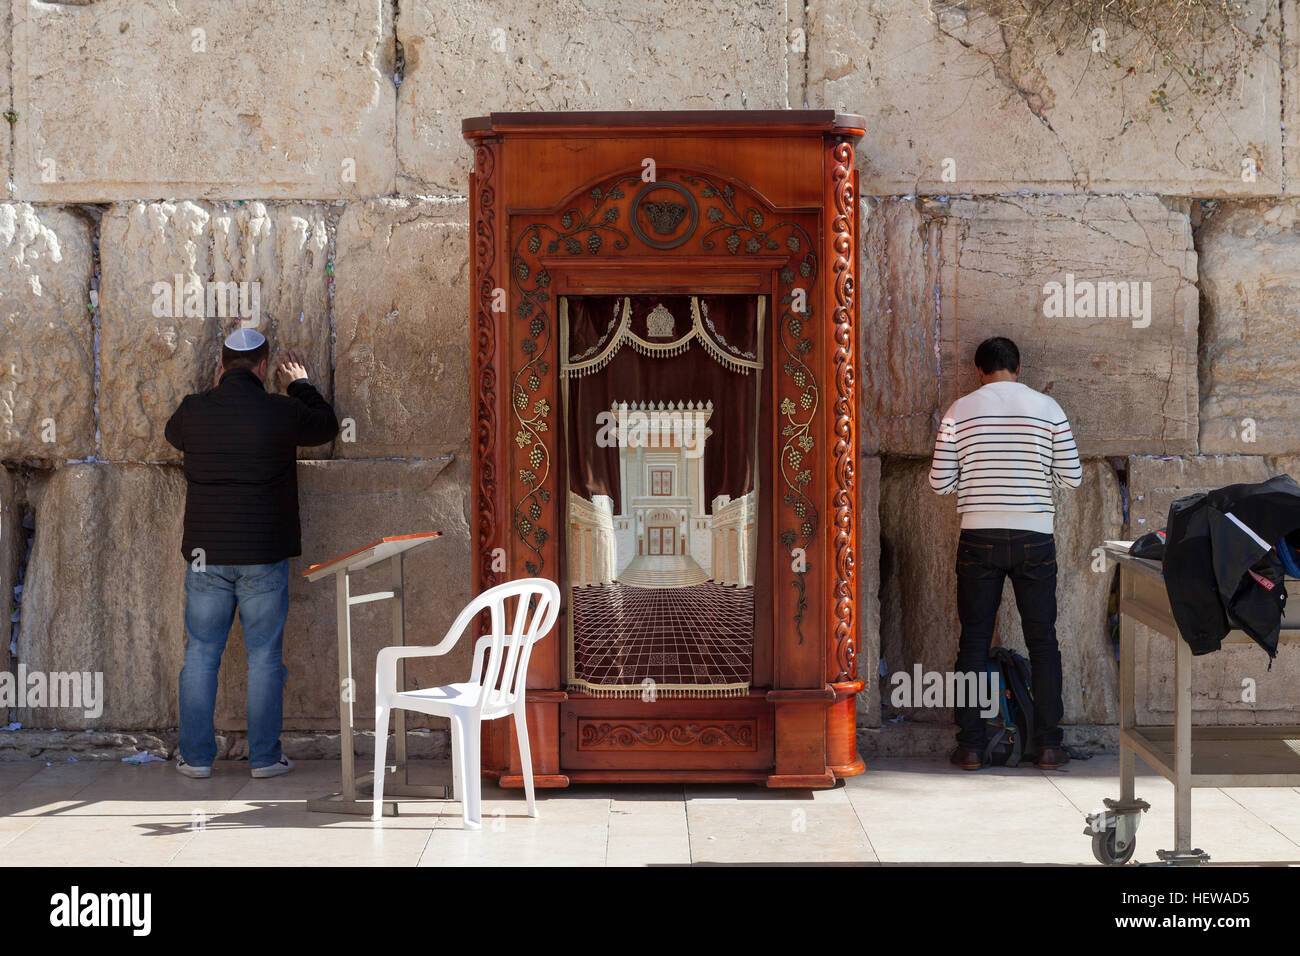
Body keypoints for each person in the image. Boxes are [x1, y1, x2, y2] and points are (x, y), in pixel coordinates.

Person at [164, 328, 339, 778]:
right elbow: (325, 425)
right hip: (263, 552)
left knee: (201, 652)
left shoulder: (194, 411)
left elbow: (173, 434)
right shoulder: (282, 411)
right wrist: (299, 383)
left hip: (207, 555)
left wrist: (216, 391)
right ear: (264, 367)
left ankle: (196, 759)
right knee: (264, 656)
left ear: (221, 366)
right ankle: (264, 758)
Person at [929, 336, 1081, 771]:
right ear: (1019, 368)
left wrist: (976, 488)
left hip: (978, 536)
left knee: (974, 642)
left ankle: (972, 747)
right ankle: (1050, 746)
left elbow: (939, 483)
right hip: (1035, 536)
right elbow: (1071, 477)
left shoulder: (959, 410)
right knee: (1044, 641)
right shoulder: (1049, 410)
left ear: (979, 370)